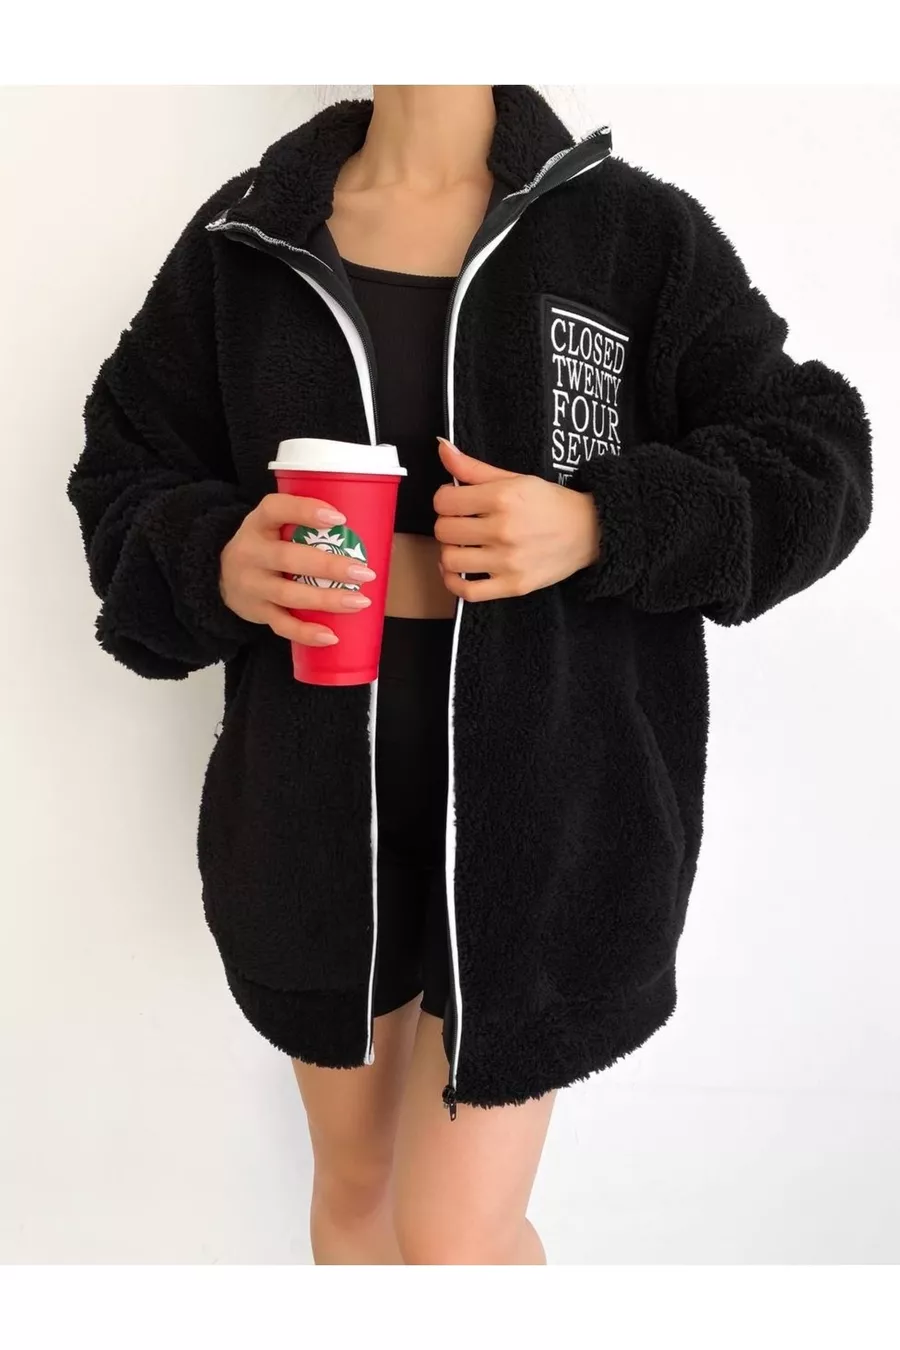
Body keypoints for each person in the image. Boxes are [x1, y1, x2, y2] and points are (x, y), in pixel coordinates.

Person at [66, 84, 873, 1265]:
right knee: (354, 1196)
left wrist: (604, 524)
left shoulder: (630, 235)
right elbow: (123, 465)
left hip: (546, 833)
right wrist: (215, 559)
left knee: (453, 1239)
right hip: (317, 824)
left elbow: (818, 457)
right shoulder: (250, 237)